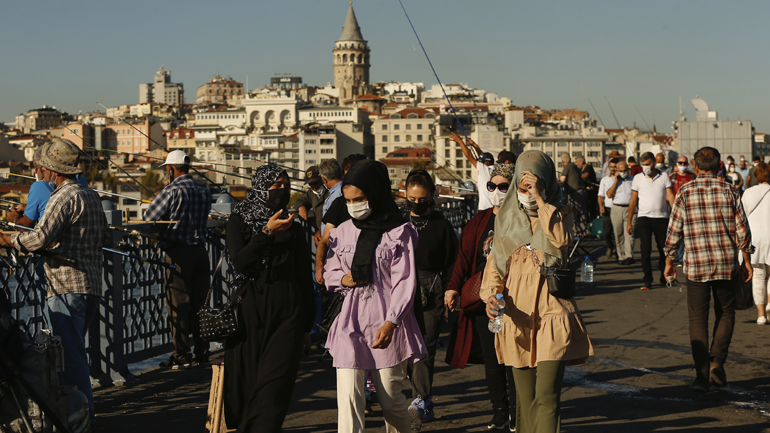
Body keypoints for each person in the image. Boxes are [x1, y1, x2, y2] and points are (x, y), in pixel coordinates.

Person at [480, 150, 593, 433]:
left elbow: (561, 240)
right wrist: (491, 297)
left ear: (545, 183)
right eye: (522, 185)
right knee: (526, 399)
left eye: (533, 184)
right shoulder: (505, 219)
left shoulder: (560, 211)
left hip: (551, 311)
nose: (526, 191)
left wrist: (541, 199)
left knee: (546, 397)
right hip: (517, 315)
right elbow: (495, 268)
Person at [0, 138, 109, 426]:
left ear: (50, 169)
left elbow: (37, 238)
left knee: (71, 360)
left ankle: (82, 421)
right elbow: (99, 237)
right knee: (73, 354)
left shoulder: (62, 197)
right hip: (92, 285)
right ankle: (75, 416)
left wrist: (5, 238)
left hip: (65, 286)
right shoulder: (90, 194)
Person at [323, 159, 427, 433]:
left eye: (360, 198)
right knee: (348, 400)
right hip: (350, 322)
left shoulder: (398, 232)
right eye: (347, 200)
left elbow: (405, 280)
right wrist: (343, 279)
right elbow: (330, 271)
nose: (353, 205)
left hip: (387, 322)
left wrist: (392, 321)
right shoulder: (343, 231)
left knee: (390, 400)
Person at [224, 165, 314, 432]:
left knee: (276, 383)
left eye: (286, 184)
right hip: (250, 305)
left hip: (287, 306)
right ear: (261, 188)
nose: (282, 190)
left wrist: (307, 327)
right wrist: (266, 232)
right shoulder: (238, 220)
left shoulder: (294, 227)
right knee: (247, 381)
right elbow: (240, 262)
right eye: (275, 185)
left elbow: (303, 277)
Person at [664, 146, 753, 392]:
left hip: (696, 266)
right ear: (719, 165)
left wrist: (669, 261)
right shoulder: (730, 190)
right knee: (726, 312)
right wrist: (746, 261)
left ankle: (702, 376)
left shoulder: (684, 191)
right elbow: (742, 231)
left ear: (694, 165)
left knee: (697, 319)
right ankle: (717, 361)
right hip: (726, 264)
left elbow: (674, 232)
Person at [445, 164, 517, 431]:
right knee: (492, 359)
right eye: (492, 186)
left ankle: (516, 412)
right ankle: (499, 410)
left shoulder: (522, 219)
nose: (496, 191)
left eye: (502, 186)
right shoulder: (479, 220)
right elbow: (464, 257)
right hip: (482, 300)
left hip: (514, 300)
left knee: (513, 358)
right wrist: (452, 287)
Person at [399, 169, 458, 430]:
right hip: (399, 289)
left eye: (423, 199)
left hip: (431, 289)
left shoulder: (441, 225)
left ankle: (420, 399)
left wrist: (449, 290)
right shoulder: (396, 222)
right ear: (404, 194)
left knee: (424, 347)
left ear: (432, 196)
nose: (417, 203)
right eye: (412, 198)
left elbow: (452, 261)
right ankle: (422, 398)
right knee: (403, 347)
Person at [143, 150, 212, 367]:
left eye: (167, 170)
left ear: (171, 169)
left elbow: (148, 219)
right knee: (201, 304)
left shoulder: (171, 191)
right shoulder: (203, 191)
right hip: (201, 253)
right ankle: (202, 350)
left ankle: (182, 354)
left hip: (179, 255)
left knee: (179, 304)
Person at [628, 152, 675, 290]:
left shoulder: (664, 176)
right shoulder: (637, 178)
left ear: (654, 163)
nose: (645, 167)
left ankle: (663, 276)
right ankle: (647, 280)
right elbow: (633, 200)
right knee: (645, 250)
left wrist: (676, 214)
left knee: (663, 249)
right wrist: (629, 221)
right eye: (643, 165)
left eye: (648, 164)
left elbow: (670, 196)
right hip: (644, 218)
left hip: (661, 217)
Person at [741, 162, 770, 325]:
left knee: (758, 275)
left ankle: (761, 315)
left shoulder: (749, 193)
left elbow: (742, 217)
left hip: (756, 237)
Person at [6, 144, 53, 228]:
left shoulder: (39, 187)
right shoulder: (80, 180)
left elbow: (25, 228)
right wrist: (30, 207)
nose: (35, 172)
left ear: (43, 168)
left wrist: (13, 220)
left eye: (36, 168)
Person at [450, 132, 494, 211]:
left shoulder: (485, 170)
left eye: (481, 162)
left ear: (486, 163)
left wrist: (460, 141)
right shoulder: (494, 170)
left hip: (485, 209)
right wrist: (474, 145)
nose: (479, 164)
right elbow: (483, 156)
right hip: (494, 208)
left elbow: (469, 155)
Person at [606, 160, 635, 265]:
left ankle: (629, 255)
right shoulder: (612, 180)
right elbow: (609, 195)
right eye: (621, 171)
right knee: (618, 233)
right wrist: (616, 181)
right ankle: (621, 256)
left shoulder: (633, 179)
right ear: (617, 171)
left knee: (629, 233)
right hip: (617, 208)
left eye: (625, 170)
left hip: (630, 208)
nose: (623, 172)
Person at [559, 153, 588, 236]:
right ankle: (583, 231)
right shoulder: (574, 166)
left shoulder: (567, 166)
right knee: (582, 211)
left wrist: (558, 179)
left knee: (573, 212)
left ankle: (576, 231)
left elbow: (563, 179)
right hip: (582, 191)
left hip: (575, 192)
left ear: (562, 161)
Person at [295, 165, 329, 235]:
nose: (314, 188)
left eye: (316, 183)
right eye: (311, 184)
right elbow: (301, 200)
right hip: (320, 236)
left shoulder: (331, 191)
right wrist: (301, 208)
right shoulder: (311, 193)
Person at [597, 158, 618, 259]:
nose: (613, 169)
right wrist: (601, 206)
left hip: (618, 208)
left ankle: (619, 251)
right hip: (608, 208)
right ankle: (610, 246)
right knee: (607, 231)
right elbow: (600, 195)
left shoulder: (622, 179)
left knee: (618, 231)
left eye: (615, 167)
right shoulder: (604, 180)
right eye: (611, 167)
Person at [575, 155, 598, 220]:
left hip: (591, 192)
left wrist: (577, 176)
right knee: (586, 208)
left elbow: (586, 175)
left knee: (592, 208)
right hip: (585, 192)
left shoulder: (588, 167)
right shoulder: (580, 169)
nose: (576, 163)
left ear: (581, 162)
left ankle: (593, 221)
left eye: (577, 162)